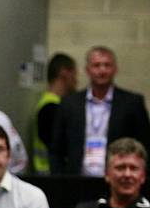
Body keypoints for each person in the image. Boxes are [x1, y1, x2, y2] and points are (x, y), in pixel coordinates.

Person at [50, 46, 150, 176]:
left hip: (119, 178)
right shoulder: (69, 103)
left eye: (107, 65)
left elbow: (145, 145)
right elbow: (56, 149)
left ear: (115, 69)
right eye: (97, 65)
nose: (102, 70)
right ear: (88, 70)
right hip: (77, 179)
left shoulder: (132, 103)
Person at [31, 52, 77, 175]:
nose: (76, 80)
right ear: (64, 73)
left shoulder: (49, 103)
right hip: (51, 173)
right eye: (74, 74)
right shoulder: (51, 107)